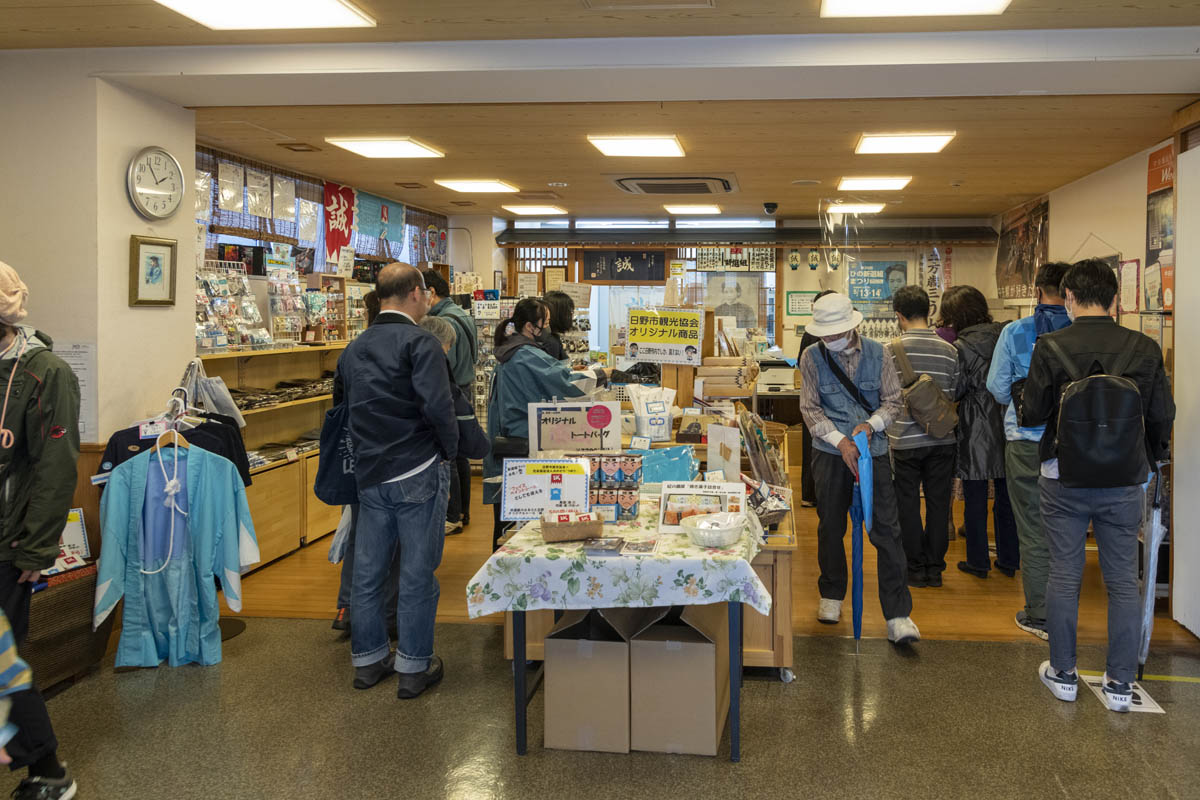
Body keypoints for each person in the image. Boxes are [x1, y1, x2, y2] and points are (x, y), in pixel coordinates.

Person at [1022, 258, 1174, 712]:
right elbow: (1162, 417)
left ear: (1068, 297)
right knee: (1124, 581)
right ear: (1116, 299)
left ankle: (1064, 675)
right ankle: (1120, 685)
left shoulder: (1049, 346)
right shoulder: (1144, 348)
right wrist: (1149, 460)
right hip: (1124, 481)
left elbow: (1031, 414)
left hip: (1062, 476)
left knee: (1065, 575)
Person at [335, 263, 457, 700]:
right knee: (416, 572)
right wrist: (448, 451)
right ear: (416, 294)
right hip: (417, 469)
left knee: (368, 573)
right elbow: (438, 408)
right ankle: (412, 667)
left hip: (370, 473)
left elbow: (342, 409)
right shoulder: (420, 343)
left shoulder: (355, 347)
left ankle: (367, 661)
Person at [797, 293, 919, 645]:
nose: (830, 339)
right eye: (825, 333)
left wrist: (871, 426)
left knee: (886, 531)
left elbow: (893, 401)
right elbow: (810, 409)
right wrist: (840, 440)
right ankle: (832, 595)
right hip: (829, 452)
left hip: (874, 451)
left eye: (835, 332)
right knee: (830, 526)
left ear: (853, 326)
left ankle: (898, 615)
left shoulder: (879, 353)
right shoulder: (811, 357)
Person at [0, 262, 79, 799]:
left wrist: (36, 548)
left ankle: (47, 769)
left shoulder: (44, 372)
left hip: (9, 543)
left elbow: (56, 466)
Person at [985, 261, 1071, 640]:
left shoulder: (1016, 331)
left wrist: (1025, 406)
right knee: (1068, 530)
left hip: (1025, 441)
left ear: (1037, 291)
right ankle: (1067, 611)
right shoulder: (1083, 333)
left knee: (1033, 529)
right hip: (1076, 446)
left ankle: (1040, 614)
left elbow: (997, 387)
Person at [484, 298, 606, 549]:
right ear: (531, 326)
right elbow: (566, 381)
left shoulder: (511, 351)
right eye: (546, 323)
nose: (549, 327)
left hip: (508, 437)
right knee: (522, 510)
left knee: (508, 509)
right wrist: (604, 374)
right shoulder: (526, 355)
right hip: (524, 439)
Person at [940, 286, 1017, 579]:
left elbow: (957, 389)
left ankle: (978, 561)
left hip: (976, 423)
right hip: (1009, 417)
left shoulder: (961, 346)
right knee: (1007, 497)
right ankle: (1009, 560)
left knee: (974, 496)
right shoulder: (1005, 334)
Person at [885, 285, 960, 588]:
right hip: (942, 440)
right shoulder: (950, 350)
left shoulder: (889, 349)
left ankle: (915, 567)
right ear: (929, 312)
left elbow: (885, 396)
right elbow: (953, 393)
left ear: (899, 315)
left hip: (904, 439)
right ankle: (935, 568)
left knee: (907, 505)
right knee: (939, 504)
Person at [332, 290, 388, 634]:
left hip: (357, 456)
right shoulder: (408, 346)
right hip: (400, 461)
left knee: (360, 536)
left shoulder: (352, 350)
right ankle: (384, 618)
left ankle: (348, 609)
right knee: (391, 543)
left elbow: (339, 405)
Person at [422, 269, 477, 533]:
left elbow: (444, 364)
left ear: (431, 292)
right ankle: (463, 510)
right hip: (464, 387)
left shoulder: (444, 322)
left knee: (450, 455)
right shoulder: (462, 314)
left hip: (450, 390)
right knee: (460, 454)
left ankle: (452, 515)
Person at [796, 289, 836, 508]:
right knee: (832, 448)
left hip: (812, 400)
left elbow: (801, 365)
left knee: (811, 447)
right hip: (836, 402)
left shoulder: (810, 333)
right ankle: (831, 498)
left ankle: (810, 495)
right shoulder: (844, 333)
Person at [538, 290, 575, 361]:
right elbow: (553, 371)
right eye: (569, 311)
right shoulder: (550, 341)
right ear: (560, 314)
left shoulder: (546, 335)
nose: (571, 315)